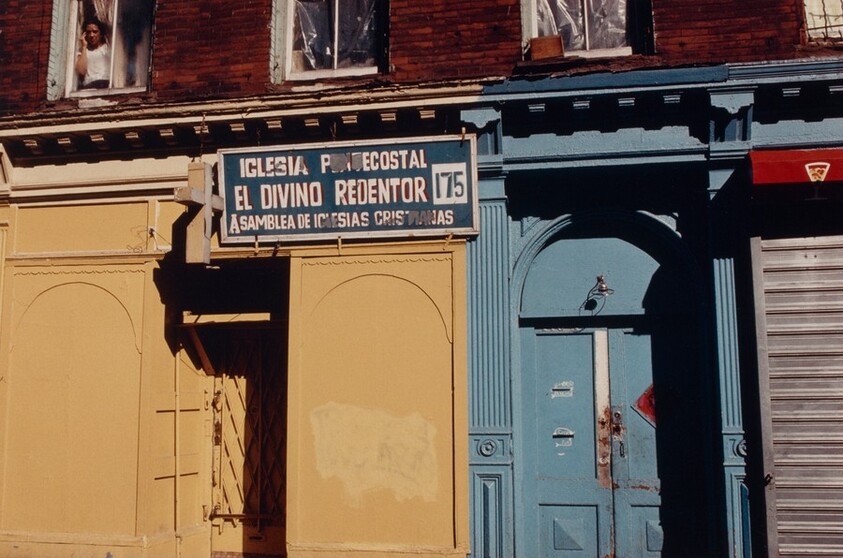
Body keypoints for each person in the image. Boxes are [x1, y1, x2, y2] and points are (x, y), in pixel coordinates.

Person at [75, 17, 110, 89]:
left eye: (95, 31)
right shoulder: (82, 51)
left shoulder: (107, 49)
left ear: (100, 34)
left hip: (106, 86)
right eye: (88, 32)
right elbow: (81, 71)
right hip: (90, 87)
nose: (91, 35)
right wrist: (84, 46)